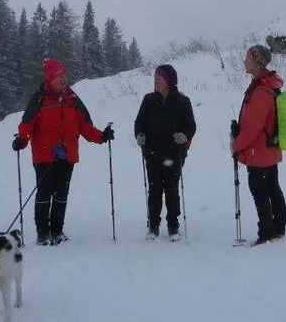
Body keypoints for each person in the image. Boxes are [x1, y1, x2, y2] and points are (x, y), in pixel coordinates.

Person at [12, 58, 114, 246]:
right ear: (50, 78)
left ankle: (57, 231)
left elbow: (85, 126)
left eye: (65, 76)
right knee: (44, 194)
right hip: (44, 156)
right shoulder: (40, 98)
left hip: (67, 156)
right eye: (59, 77)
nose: (63, 80)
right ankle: (43, 234)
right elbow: (27, 124)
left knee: (61, 194)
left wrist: (102, 136)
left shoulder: (73, 100)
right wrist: (22, 140)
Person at [229, 44, 286, 246]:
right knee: (272, 188)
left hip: (259, 151)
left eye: (248, 57)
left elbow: (253, 127)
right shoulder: (265, 85)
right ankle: (278, 226)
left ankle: (267, 232)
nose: (244, 61)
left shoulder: (262, 90)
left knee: (261, 192)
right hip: (267, 149)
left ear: (257, 61)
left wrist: (236, 144)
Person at [133, 64, 196, 240]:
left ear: (169, 80)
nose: (156, 82)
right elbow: (139, 122)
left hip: (174, 152)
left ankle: (173, 225)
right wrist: (139, 135)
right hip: (152, 152)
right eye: (155, 79)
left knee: (171, 189)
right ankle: (153, 225)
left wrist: (185, 135)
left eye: (159, 79)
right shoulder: (148, 100)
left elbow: (191, 125)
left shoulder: (182, 101)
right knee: (154, 190)